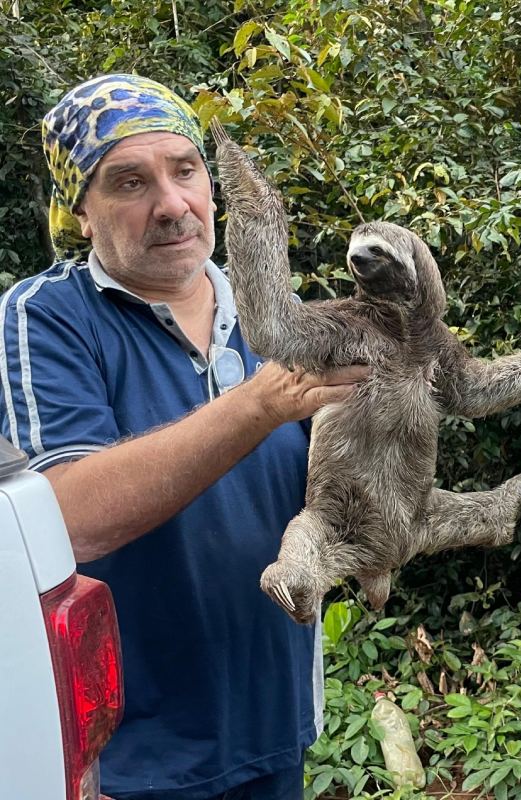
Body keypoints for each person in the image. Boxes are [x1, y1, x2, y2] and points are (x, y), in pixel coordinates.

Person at [1, 74, 368, 800]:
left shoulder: (275, 315)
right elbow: (70, 519)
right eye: (129, 182)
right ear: (81, 211)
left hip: (273, 723)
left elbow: (340, 499)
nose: (171, 205)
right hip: (130, 758)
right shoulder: (45, 318)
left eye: (185, 171)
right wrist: (259, 403)